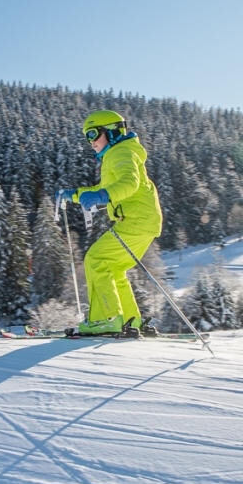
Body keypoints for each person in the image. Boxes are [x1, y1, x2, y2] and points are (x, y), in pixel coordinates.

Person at [57, 110, 163, 335]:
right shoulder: (119, 153)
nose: (90, 142)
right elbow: (100, 189)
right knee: (113, 268)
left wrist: (103, 197)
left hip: (136, 220)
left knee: (96, 259)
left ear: (113, 131)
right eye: (87, 136)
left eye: (93, 134)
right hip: (143, 221)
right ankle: (130, 321)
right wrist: (75, 194)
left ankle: (106, 319)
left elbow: (129, 183)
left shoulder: (121, 152)